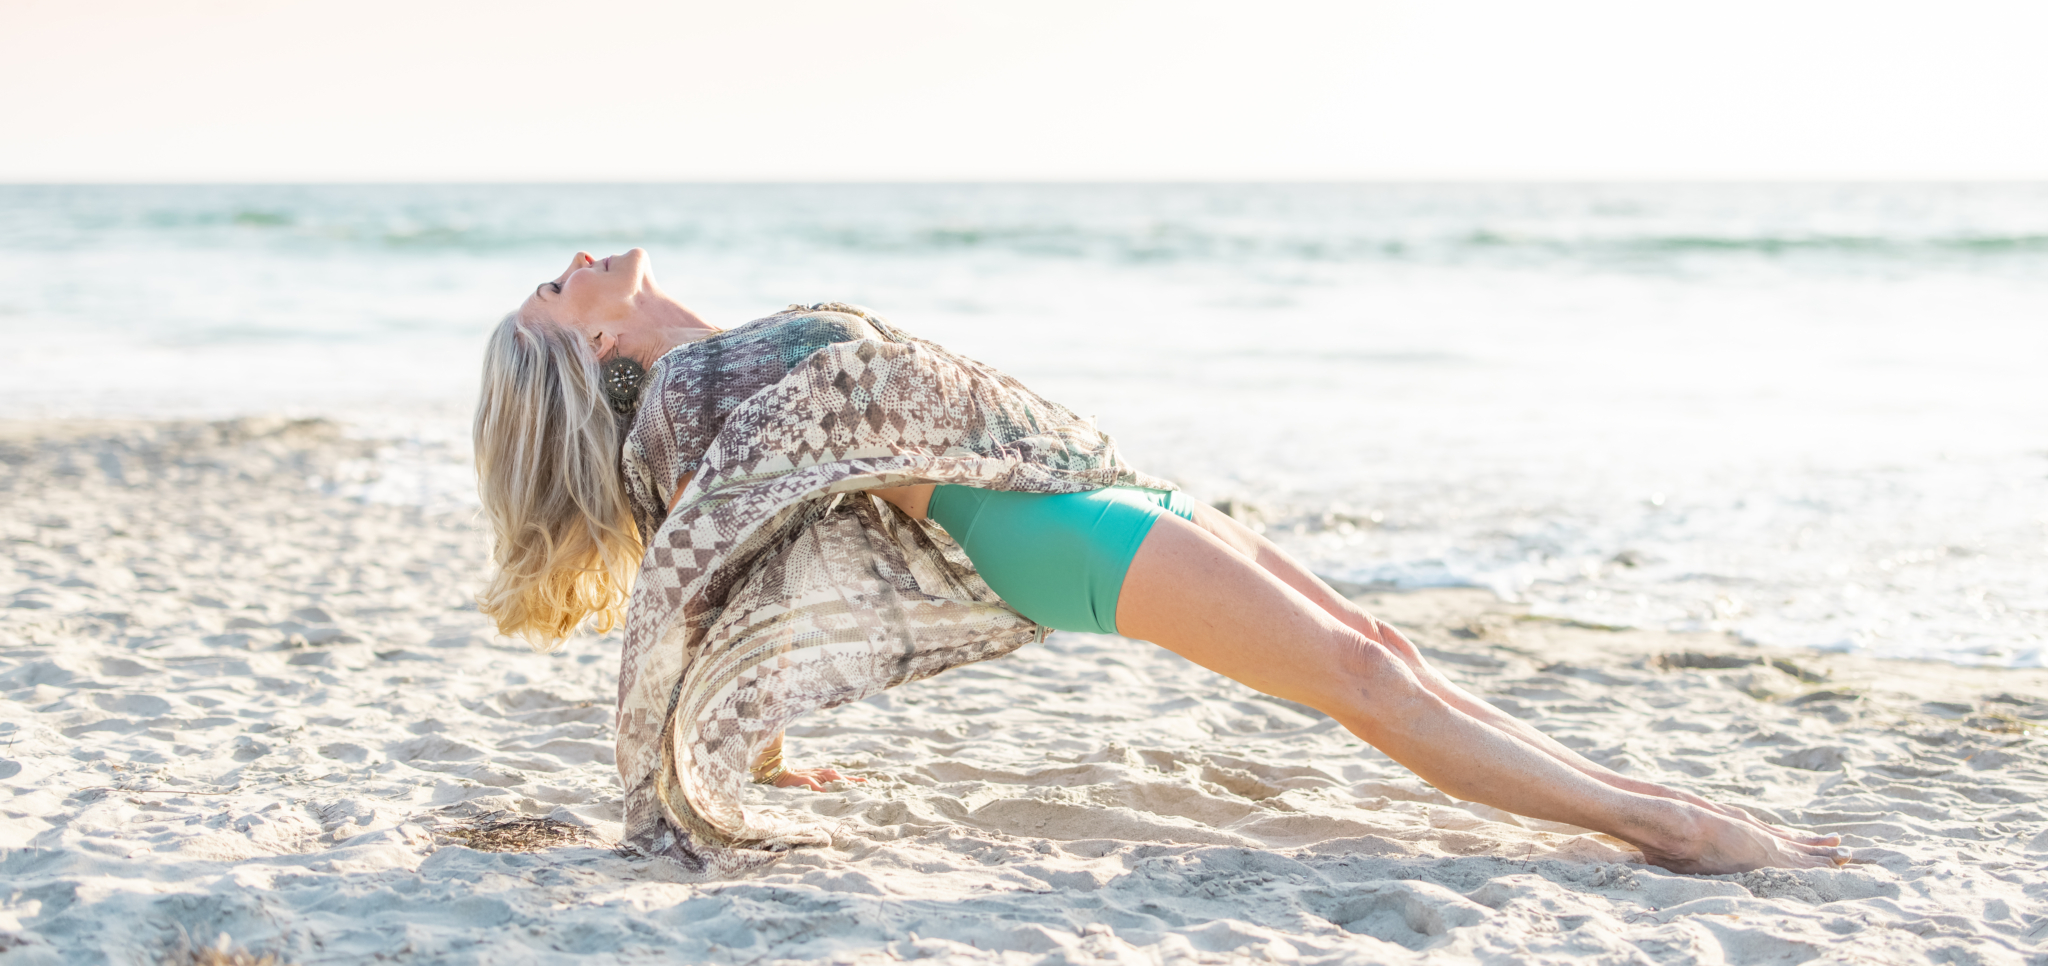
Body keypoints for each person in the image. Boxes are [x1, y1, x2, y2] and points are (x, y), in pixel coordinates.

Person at [474, 248, 1846, 876]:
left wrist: (765, 747)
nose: (580, 258)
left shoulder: (713, 372)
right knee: (1360, 675)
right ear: (589, 345)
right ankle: (1674, 830)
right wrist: (686, 759)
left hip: (1086, 477)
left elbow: (761, 537)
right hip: (1038, 531)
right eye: (558, 282)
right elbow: (710, 567)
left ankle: (1646, 792)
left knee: (1388, 651)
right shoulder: (685, 404)